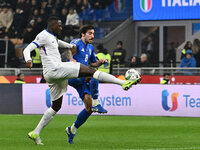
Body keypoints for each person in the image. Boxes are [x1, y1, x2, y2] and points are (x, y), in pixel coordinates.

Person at [23, 16, 141, 145]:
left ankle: (36, 132)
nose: (61, 28)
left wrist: (70, 48)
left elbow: (65, 46)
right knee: (92, 73)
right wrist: (28, 59)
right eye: (59, 25)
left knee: (57, 106)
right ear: (52, 25)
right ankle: (123, 83)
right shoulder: (43, 35)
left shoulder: (54, 38)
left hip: (55, 74)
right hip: (56, 69)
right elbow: (27, 49)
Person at [66, 27, 108, 144]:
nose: (92, 36)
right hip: (73, 75)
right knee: (95, 75)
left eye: (93, 33)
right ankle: (97, 102)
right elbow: (69, 50)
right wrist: (71, 59)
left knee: (88, 108)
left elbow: (93, 62)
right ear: (83, 34)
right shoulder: (76, 42)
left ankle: (72, 129)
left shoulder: (90, 47)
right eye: (90, 33)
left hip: (82, 80)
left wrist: (100, 62)